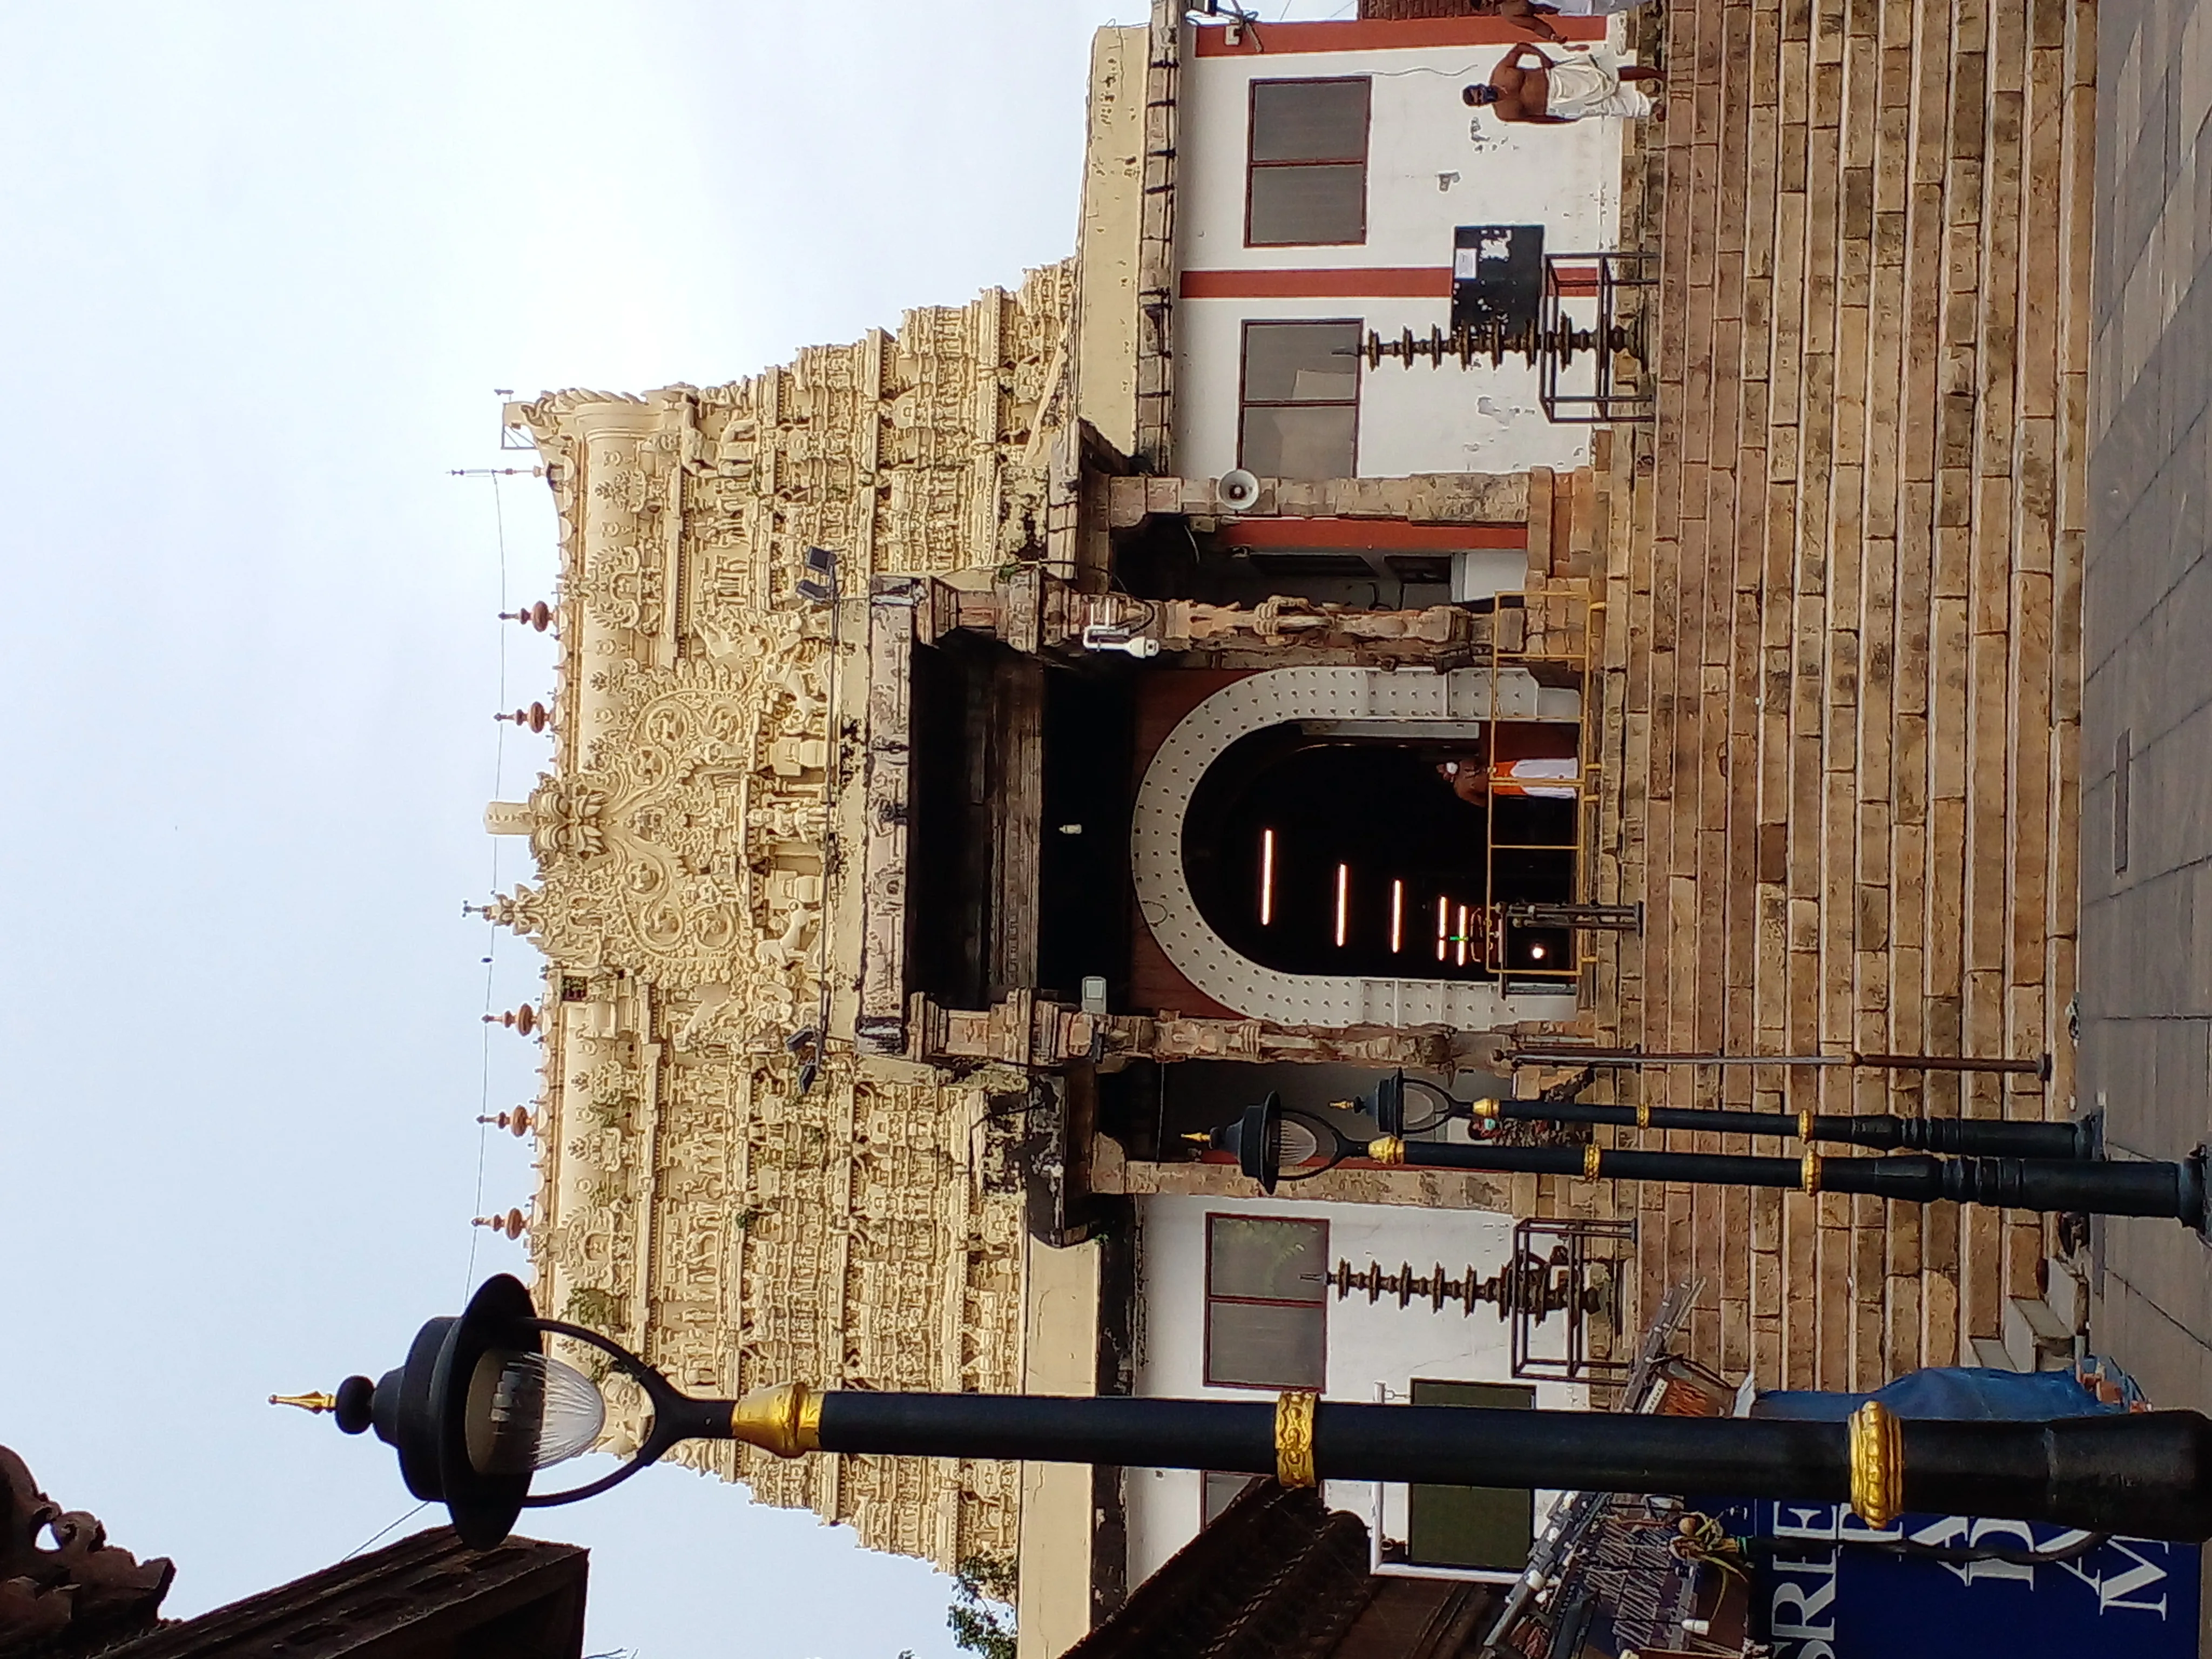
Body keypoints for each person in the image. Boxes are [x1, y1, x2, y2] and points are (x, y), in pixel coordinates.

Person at [1464, 43, 1663, 123]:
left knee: (1609, 75)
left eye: (1479, 92)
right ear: (1481, 105)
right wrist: (1561, 121)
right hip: (1558, 104)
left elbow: (1519, 48)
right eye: (1479, 99)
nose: (1483, 95)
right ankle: (1653, 107)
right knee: (1607, 107)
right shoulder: (1504, 113)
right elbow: (1535, 119)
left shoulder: (1501, 74)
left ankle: (1657, 75)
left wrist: (1541, 57)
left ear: (1480, 86)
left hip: (1556, 78)